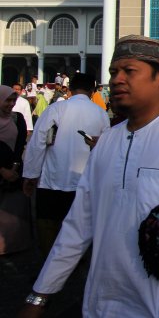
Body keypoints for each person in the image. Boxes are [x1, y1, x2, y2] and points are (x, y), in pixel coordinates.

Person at [18, 35, 159, 317]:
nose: (117, 79)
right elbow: (79, 224)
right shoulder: (107, 141)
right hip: (102, 301)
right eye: (113, 72)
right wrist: (39, 296)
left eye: (129, 71)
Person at [22, 73, 110, 257]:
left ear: (70, 89)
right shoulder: (101, 114)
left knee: (48, 224)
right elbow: (106, 148)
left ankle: (49, 262)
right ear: (92, 90)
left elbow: (37, 142)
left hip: (52, 178)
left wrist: (31, 174)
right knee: (79, 225)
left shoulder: (56, 109)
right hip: (84, 180)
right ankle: (75, 261)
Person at [0, 85, 31, 255]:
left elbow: (20, 145)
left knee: (13, 210)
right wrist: (2, 170)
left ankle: (11, 245)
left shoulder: (17, 118)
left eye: (13, 100)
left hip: (14, 169)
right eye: (7, 100)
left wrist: (14, 167)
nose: (11, 104)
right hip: (2, 170)